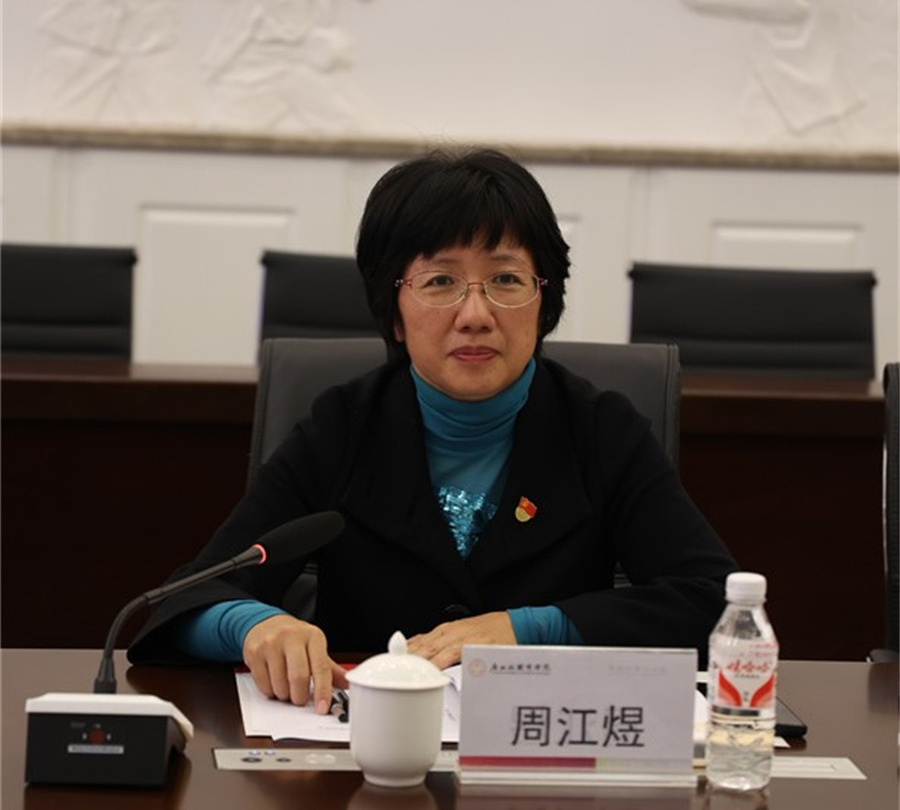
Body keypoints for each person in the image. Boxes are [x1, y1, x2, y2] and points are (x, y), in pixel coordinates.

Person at [128, 148, 737, 715]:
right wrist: (254, 625)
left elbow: (716, 606)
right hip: (366, 755)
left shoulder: (601, 430)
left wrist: (530, 628)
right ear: (394, 310)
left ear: (544, 301)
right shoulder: (343, 427)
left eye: (505, 280)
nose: (475, 315)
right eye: (440, 281)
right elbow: (184, 601)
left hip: (539, 756)